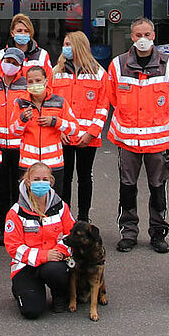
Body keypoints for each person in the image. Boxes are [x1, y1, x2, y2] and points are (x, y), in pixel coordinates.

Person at [108, 17, 169, 254]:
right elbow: (113, 98)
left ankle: (158, 233)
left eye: (147, 35)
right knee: (127, 187)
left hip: (158, 141)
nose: (143, 39)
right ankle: (128, 232)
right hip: (127, 140)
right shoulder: (118, 65)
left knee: (158, 187)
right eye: (138, 35)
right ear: (131, 36)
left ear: (154, 36)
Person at [51, 31, 110, 222]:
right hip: (63, 136)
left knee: (85, 177)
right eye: (64, 44)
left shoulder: (99, 74)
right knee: (64, 177)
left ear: (79, 46)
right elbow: (51, 104)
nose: (65, 48)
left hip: (87, 138)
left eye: (69, 44)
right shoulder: (56, 72)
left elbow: (103, 107)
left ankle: (83, 217)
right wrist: (58, 130)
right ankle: (64, 217)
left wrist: (91, 133)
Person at [4, 162, 76, 319]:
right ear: (28, 182)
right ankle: (20, 288)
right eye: (36, 179)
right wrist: (44, 255)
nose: (40, 183)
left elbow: (71, 235)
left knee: (56, 271)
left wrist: (59, 251)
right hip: (26, 265)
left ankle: (59, 296)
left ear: (51, 181)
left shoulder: (61, 206)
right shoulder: (16, 212)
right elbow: (14, 247)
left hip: (54, 262)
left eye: (45, 179)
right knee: (32, 311)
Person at [0, 47, 30, 245]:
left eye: (14, 62)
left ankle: (20, 226)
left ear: (21, 66)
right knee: (1, 190)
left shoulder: (26, 85)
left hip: (20, 146)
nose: (10, 65)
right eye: (7, 61)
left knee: (19, 189)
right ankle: (4, 227)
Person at [11, 65, 78, 188]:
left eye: (38, 80)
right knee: (28, 198)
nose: (34, 84)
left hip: (53, 164)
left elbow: (74, 129)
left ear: (46, 81)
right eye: (30, 81)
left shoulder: (59, 102)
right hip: (28, 164)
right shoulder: (20, 103)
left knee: (53, 198)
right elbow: (13, 131)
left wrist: (55, 122)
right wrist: (23, 119)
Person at [0, 14, 53, 80]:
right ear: (12, 33)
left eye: (26, 31)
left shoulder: (42, 55)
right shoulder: (1, 55)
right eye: (19, 31)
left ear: (30, 33)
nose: (23, 33)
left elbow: (49, 81)